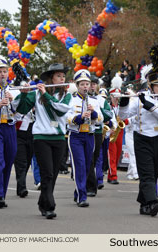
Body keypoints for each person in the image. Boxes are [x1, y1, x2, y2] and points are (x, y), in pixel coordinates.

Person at [119, 45, 158, 216]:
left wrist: (148, 103)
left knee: (154, 172)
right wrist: (123, 100)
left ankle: (144, 203)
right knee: (146, 172)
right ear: (150, 86)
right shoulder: (139, 98)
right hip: (142, 137)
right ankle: (153, 201)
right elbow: (123, 115)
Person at [15, 63, 72, 219]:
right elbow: (21, 109)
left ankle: (42, 203)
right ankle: (49, 206)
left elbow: (60, 110)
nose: (62, 78)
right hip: (41, 138)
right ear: (51, 78)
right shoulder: (37, 93)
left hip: (59, 138)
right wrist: (25, 93)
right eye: (59, 76)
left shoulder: (66, 95)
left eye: (63, 76)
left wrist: (45, 94)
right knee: (47, 173)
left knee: (52, 175)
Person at [67, 70, 103, 207]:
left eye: (87, 84)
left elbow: (100, 119)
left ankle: (78, 192)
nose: (85, 87)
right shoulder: (71, 99)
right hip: (76, 136)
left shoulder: (95, 100)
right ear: (77, 85)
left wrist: (93, 113)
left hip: (89, 135)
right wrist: (80, 118)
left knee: (87, 165)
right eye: (82, 84)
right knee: (80, 165)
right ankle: (82, 196)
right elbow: (67, 118)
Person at [0, 57, 19, 209]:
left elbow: (20, 114)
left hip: (10, 128)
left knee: (9, 161)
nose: (3, 74)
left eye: (5, 71)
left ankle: (2, 192)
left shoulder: (12, 90)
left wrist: (13, 103)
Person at [86, 75, 114, 196]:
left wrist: (96, 109)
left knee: (94, 157)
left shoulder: (101, 100)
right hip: (84, 130)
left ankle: (92, 183)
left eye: (94, 84)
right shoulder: (81, 97)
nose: (92, 86)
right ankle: (90, 186)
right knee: (87, 159)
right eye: (89, 83)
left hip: (97, 131)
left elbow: (108, 115)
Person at [107, 74, 126, 185]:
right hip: (111, 131)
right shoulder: (108, 106)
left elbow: (127, 118)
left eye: (118, 96)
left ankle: (112, 173)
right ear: (111, 96)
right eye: (115, 96)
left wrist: (124, 121)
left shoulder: (121, 107)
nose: (117, 98)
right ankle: (112, 175)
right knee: (112, 154)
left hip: (120, 130)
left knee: (118, 153)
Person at [14, 108, 35, 198]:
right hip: (19, 132)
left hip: (31, 131)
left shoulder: (35, 96)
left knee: (28, 160)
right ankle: (22, 187)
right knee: (21, 162)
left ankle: (20, 185)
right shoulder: (17, 97)